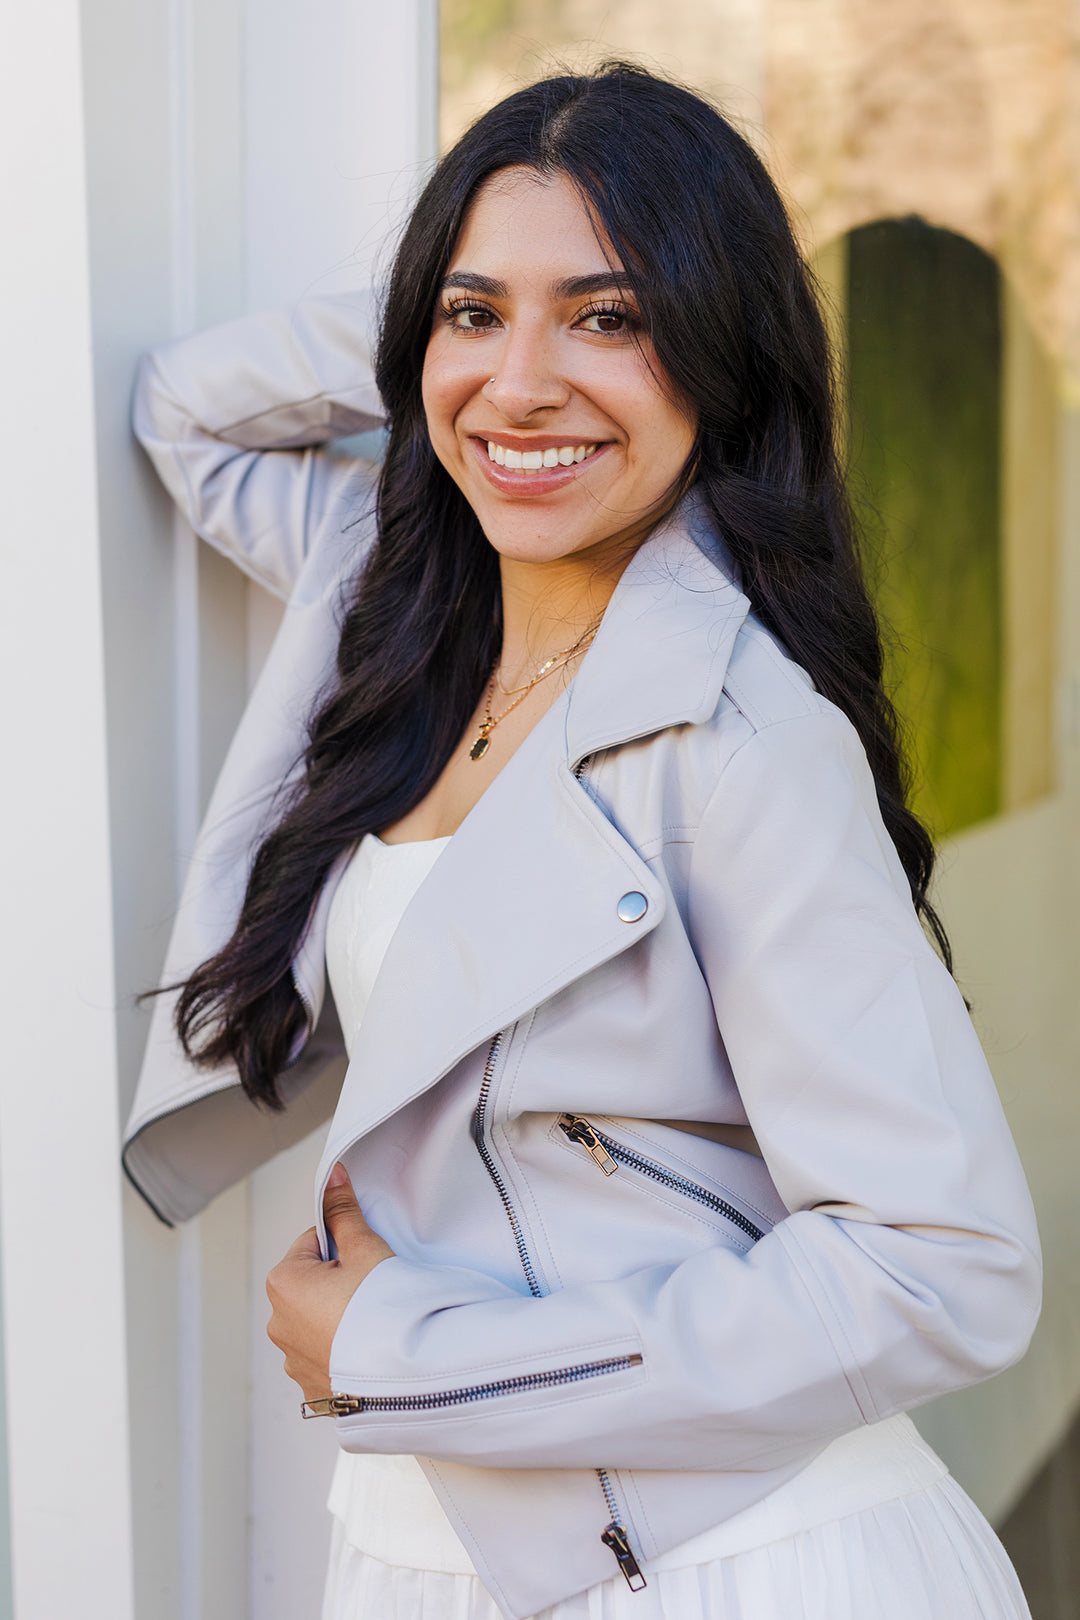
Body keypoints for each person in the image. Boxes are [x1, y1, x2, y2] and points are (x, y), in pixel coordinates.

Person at [123, 63, 1040, 1620]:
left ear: (721, 356)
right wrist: (465, 318)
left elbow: (941, 1268)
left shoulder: (741, 739)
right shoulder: (394, 598)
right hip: (425, 1545)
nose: (524, 386)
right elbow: (188, 413)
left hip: (721, 1562)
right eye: (474, 316)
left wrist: (405, 1352)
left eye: (612, 319)